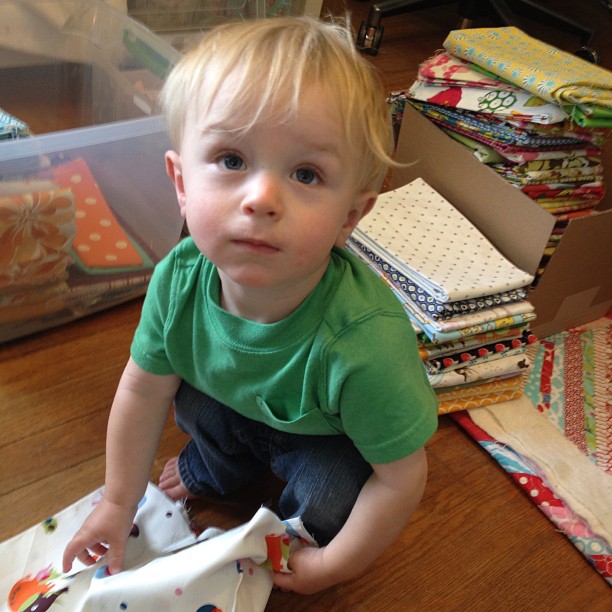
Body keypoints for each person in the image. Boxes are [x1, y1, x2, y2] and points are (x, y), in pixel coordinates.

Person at [62, 15, 438, 595]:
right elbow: (141, 390)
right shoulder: (178, 280)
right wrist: (117, 502)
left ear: (351, 217)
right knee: (183, 397)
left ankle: (266, 500)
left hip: (326, 438)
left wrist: (335, 569)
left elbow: (403, 477)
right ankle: (218, 467)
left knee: (332, 503)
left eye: (305, 173)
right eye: (232, 160)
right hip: (233, 406)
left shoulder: (364, 339)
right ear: (182, 182)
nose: (261, 198)